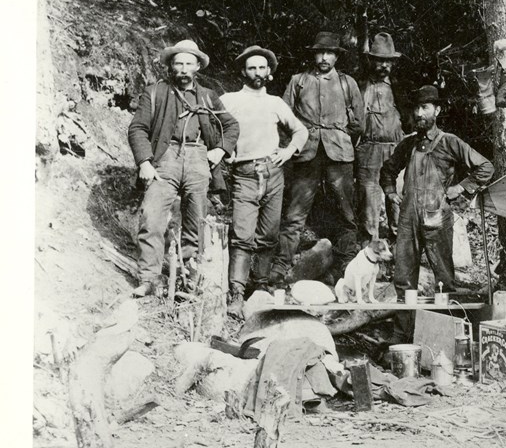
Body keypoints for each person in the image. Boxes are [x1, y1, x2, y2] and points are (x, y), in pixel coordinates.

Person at [127, 39, 239, 297]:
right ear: (170, 66)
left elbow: (231, 126)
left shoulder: (209, 96)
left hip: (199, 158)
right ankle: (149, 279)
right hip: (165, 158)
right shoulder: (155, 92)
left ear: (198, 66)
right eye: (178, 63)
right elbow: (137, 128)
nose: (183, 69)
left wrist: (219, 150)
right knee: (151, 217)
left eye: (189, 63)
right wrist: (144, 161)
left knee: (196, 221)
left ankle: (189, 280)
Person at [379, 85, 494, 304]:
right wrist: (391, 192)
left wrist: (460, 188)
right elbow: (388, 170)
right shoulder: (409, 144)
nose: (419, 113)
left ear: (437, 110)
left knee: (443, 276)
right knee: (403, 277)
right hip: (408, 218)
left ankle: (444, 327)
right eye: (416, 109)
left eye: (425, 108)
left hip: (437, 216)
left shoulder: (449, 142)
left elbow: (485, 167)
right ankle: (404, 331)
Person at [219, 46, 309, 315]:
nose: (257, 73)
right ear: (243, 72)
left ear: (269, 72)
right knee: (242, 235)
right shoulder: (229, 100)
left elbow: (300, 130)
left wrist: (288, 151)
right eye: (251, 68)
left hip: (273, 172)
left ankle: (260, 286)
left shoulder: (275, 103)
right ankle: (236, 292)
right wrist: (225, 151)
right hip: (244, 173)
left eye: (262, 68)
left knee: (269, 234)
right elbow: (212, 128)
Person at [269, 31, 363, 283]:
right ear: (313, 54)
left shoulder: (347, 83)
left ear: (336, 56)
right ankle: (281, 266)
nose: (324, 57)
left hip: (339, 154)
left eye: (329, 53)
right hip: (306, 154)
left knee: (346, 212)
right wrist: (297, 141)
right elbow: (283, 117)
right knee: (295, 212)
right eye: (320, 52)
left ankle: (345, 266)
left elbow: (359, 124)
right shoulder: (298, 81)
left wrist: (337, 135)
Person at [355, 33, 406, 243]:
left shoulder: (400, 87)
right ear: (371, 61)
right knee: (369, 201)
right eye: (379, 60)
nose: (383, 65)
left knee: (397, 201)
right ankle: (370, 250)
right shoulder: (360, 86)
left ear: (393, 63)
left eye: (388, 61)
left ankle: (399, 253)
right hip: (369, 150)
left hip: (396, 149)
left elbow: (411, 119)